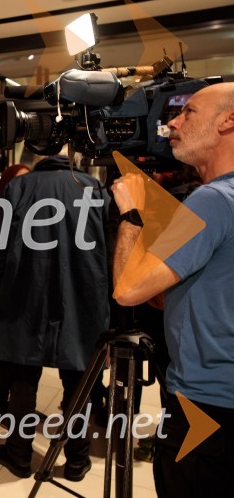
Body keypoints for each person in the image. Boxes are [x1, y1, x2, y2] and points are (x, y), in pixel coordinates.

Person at [112, 82, 234, 497]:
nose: (172, 123)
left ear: (228, 121)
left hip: (205, 405)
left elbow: (127, 290)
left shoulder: (212, 200)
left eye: (189, 112)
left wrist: (131, 212)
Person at [0, 148, 111, 481]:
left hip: (27, 294)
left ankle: (19, 455)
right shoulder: (94, 189)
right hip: (82, 295)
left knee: (23, 379)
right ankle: (77, 460)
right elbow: (110, 247)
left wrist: (7, 286)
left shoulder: (18, 187)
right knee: (78, 381)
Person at [0, 163, 29, 421]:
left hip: (21, 285)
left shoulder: (28, 206)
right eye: (19, 180)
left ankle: (7, 401)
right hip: (5, 284)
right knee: (4, 345)